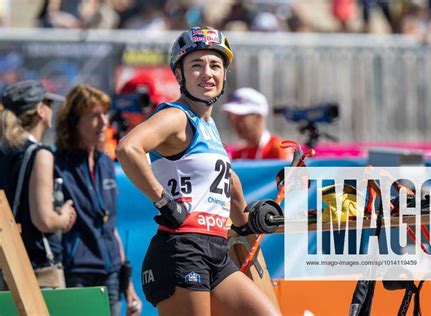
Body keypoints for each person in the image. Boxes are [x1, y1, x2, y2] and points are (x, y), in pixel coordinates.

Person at [115, 26, 281, 315]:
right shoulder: (176, 116)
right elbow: (128, 148)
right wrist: (163, 201)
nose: (208, 73)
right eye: (196, 65)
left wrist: (247, 217)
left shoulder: (209, 126)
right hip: (182, 249)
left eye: (215, 65)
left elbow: (226, 177)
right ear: (179, 75)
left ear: (225, 75)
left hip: (216, 250)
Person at [54, 84, 142, 316]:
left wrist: (128, 287)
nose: (104, 122)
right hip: (76, 276)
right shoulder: (55, 163)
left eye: (105, 114)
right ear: (74, 122)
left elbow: (110, 227)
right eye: (94, 116)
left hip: (111, 274)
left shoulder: (105, 161)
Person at [0, 80, 76, 288]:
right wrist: (64, 217)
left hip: (6, 265)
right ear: (41, 111)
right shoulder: (40, 154)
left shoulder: (4, 151)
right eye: (49, 105)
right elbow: (44, 220)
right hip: (36, 268)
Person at [222, 87, 291, 160]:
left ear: (259, 116)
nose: (235, 124)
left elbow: (299, 171)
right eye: (231, 118)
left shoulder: (280, 149)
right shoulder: (235, 155)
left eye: (240, 118)